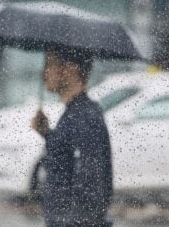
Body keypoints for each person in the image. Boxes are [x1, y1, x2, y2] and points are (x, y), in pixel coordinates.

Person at [32, 48, 113, 227]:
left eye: (49, 65)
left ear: (70, 69)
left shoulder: (84, 116)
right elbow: (67, 162)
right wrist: (47, 133)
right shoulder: (75, 113)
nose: (43, 73)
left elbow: (92, 185)